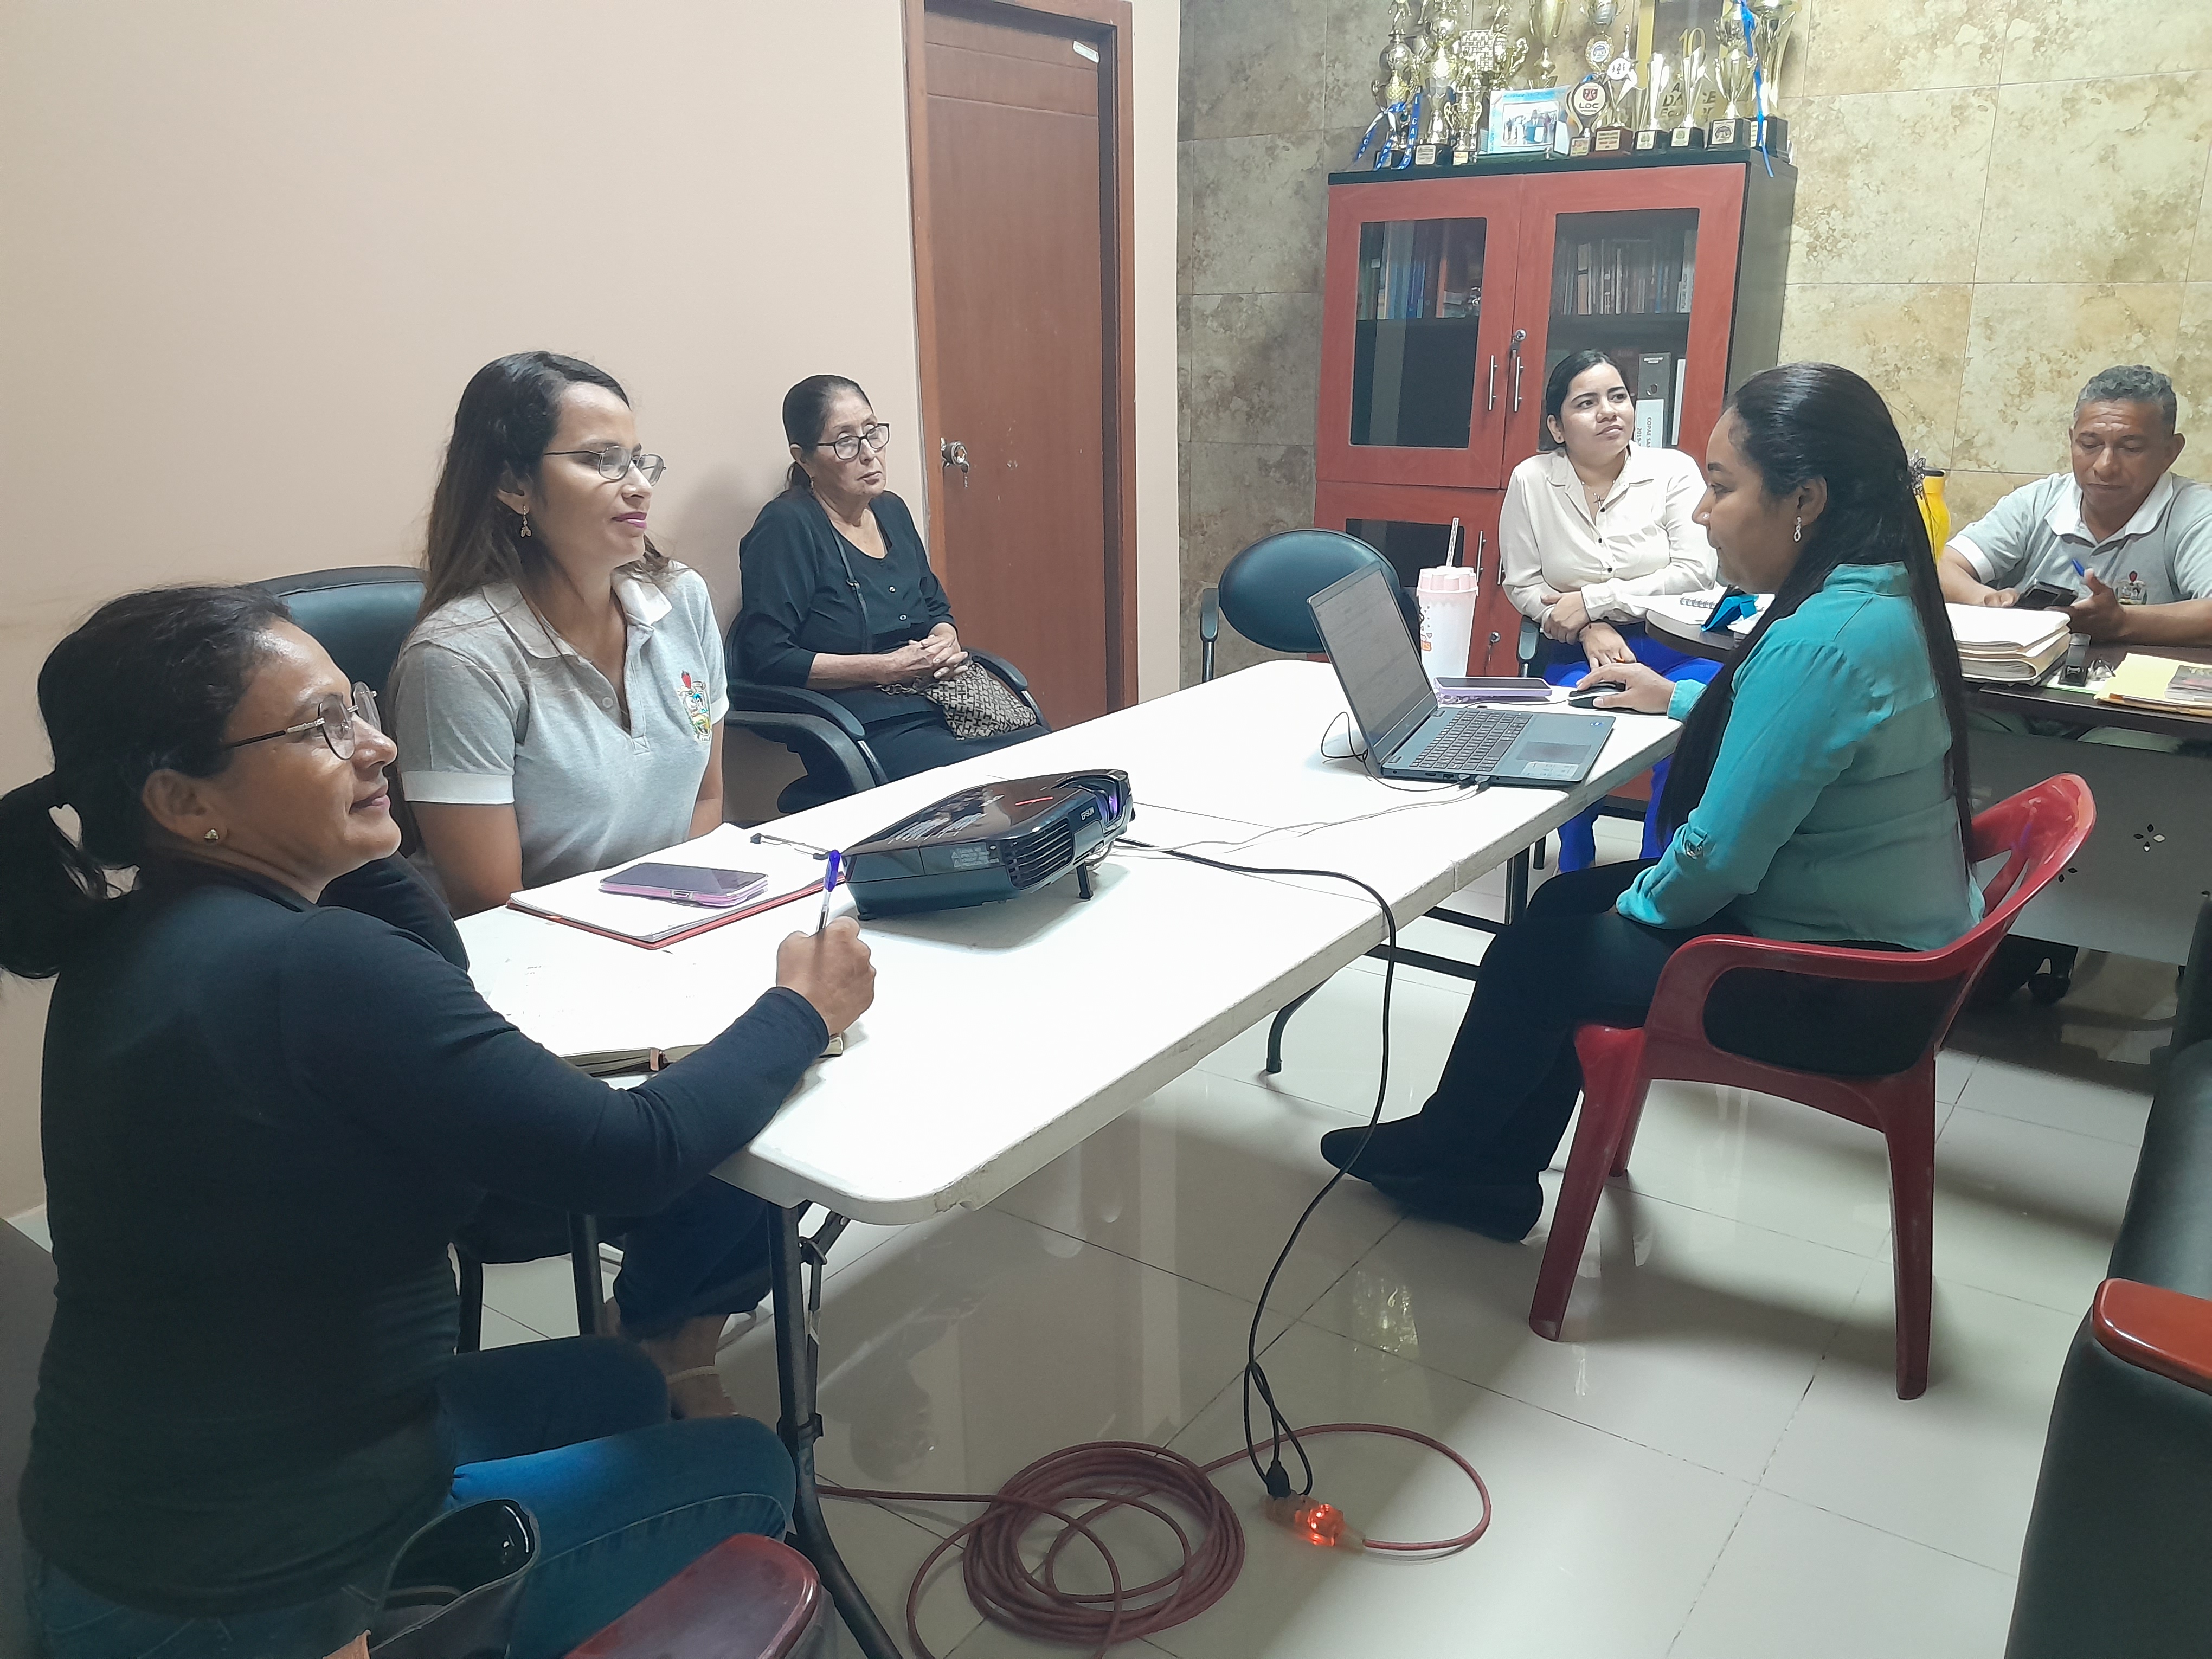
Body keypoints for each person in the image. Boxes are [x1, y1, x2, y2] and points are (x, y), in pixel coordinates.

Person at [4, 586, 874, 1659]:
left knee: (615, 1380)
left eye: (358, 705)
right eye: (321, 727)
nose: (377, 744)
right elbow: (632, 1155)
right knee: (748, 1470)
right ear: (184, 802)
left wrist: (360, 840)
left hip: (130, 1529)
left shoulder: (134, 939)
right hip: (246, 1597)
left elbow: (431, 987)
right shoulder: (313, 966)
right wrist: (802, 1009)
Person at [1324, 363, 1983, 1241]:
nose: (1705, 512)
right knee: (1561, 905)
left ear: (1806, 499)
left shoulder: (1823, 638)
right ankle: (1488, 1171)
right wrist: (1673, 698)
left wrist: (1633, 911)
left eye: (1723, 487)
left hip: (1844, 989)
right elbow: (1802, 731)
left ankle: (1453, 1152)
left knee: (1537, 956)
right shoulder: (1878, 593)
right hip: (1881, 952)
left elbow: (1718, 858)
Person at [387, 351, 768, 1419]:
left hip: (670, 940)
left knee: (820, 1045)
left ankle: (672, 1325)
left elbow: (707, 799)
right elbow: (490, 902)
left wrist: (698, 929)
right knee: (749, 1094)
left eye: (640, 458)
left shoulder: (676, 601)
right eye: (599, 461)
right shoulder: (460, 659)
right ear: (513, 485)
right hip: (532, 989)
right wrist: (657, 949)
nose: (636, 484)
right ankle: (658, 1331)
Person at [733, 375, 1043, 807]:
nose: (869, 453)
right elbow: (768, 657)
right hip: (861, 726)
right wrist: (885, 668)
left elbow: (935, 606)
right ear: (804, 459)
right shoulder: (787, 526)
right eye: (846, 442)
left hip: (940, 701)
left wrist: (944, 641)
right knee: (989, 785)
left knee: (1045, 758)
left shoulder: (890, 509)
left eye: (873, 432)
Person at [1501, 350, 1720, 868]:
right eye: (1587, 403)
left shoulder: (1672, 471)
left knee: (1687, 732)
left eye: (1618, 397)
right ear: (1557, 427)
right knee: (1574, 729)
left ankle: (1655, 870)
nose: (1609, 411)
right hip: (1583, 652)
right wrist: (1587, 628)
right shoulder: (1531, 480)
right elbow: (1522, 582)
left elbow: (1696, 571)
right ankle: (1574, 858)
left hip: (1677, 644)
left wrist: (1595, 601)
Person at [1938, 364, 2212, 646]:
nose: (2105, 466)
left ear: (2170, 452)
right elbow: (1943, 566)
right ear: (2072, 440)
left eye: (2131, 448)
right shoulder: (2038, 502)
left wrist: (2123, 622)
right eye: (2090, 445)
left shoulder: (2197, 514)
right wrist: (1986, 600)